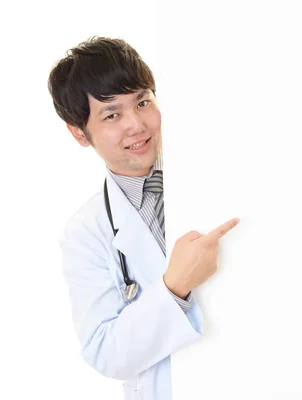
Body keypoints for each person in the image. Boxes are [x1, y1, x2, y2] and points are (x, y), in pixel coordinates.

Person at [48, 36, 240, 400]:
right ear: (78, 131)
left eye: (143, 102)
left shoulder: (219, 175)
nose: (137, 124)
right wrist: (174, 286)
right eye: (112, 114)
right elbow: (104, 351)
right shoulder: (85, 233)